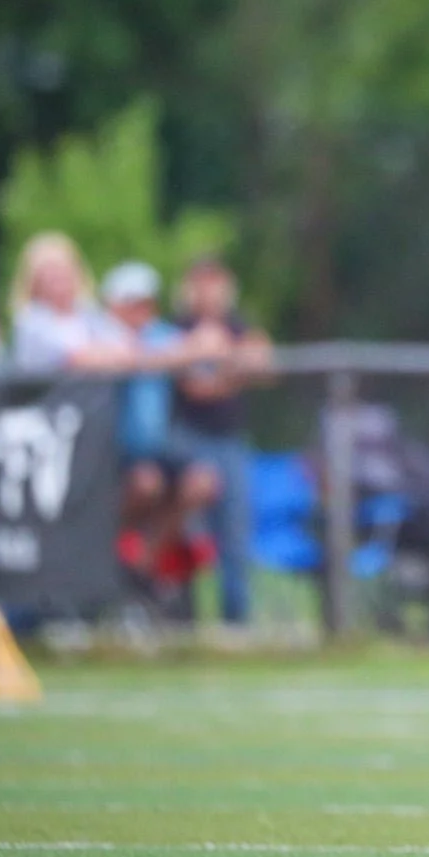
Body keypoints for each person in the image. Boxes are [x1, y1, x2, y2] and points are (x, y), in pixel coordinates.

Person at [101, 261, 222, 621]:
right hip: (110, 451)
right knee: (145, 485)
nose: (143, 310)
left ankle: (141, 562)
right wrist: (173, 354)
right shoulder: (101, 333)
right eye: (134, 302)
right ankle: (108, 558)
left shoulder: (160, 333)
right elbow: (121, 358)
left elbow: (207, 349)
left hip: (156, 446)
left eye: (147, 302)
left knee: (203, 482)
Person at [169, 255, 274, 630]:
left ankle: (237, 620)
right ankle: (179, 616)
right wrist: (236, 366)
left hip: (231, 441)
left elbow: (264, 364)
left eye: (216, 281)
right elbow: (198, 387)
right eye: (202, 281)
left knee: (235, 534)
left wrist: (223, 361)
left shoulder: (237, 324)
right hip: (188, 441)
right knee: (188, 532)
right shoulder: (177, 328)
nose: (210, 290)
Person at [7, 232, 134, 374]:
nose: (58, 278)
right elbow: (71, 358)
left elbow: (127, 348)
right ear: (35, 279)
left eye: (62, 270)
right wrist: (104, 354)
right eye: (50, 272)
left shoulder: (89, 313)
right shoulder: (30, 320)